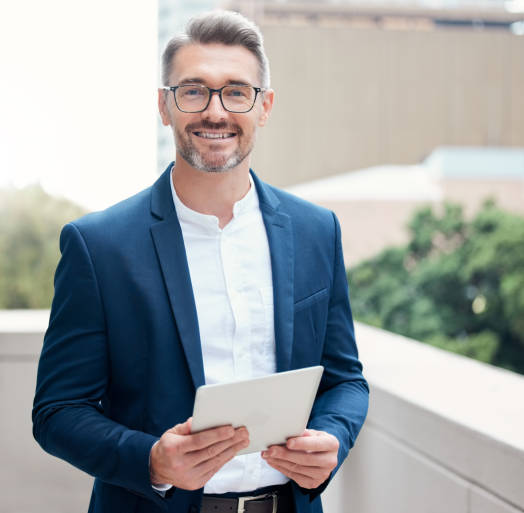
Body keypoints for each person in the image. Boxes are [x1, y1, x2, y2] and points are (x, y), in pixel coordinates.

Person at [32, 10, 368, 513]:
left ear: (265, 106)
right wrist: (150, 459)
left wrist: (333, 438)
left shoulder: (317, 230)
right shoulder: (97, 245)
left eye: (236, 91)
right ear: (164, 108)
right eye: (193, 91)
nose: (216, 111)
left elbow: (345, 380)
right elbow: (58, 411)